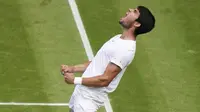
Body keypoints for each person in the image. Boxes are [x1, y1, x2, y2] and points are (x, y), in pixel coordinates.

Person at [61, 5, 155, 112]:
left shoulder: (125, 49)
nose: (129, 10)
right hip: (81, 95)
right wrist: (73, 69)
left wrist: (75, 80)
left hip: (88, 101)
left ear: (137, 23)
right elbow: (97, 63)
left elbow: (105, 80)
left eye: (135, 12)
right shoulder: (118, 38)